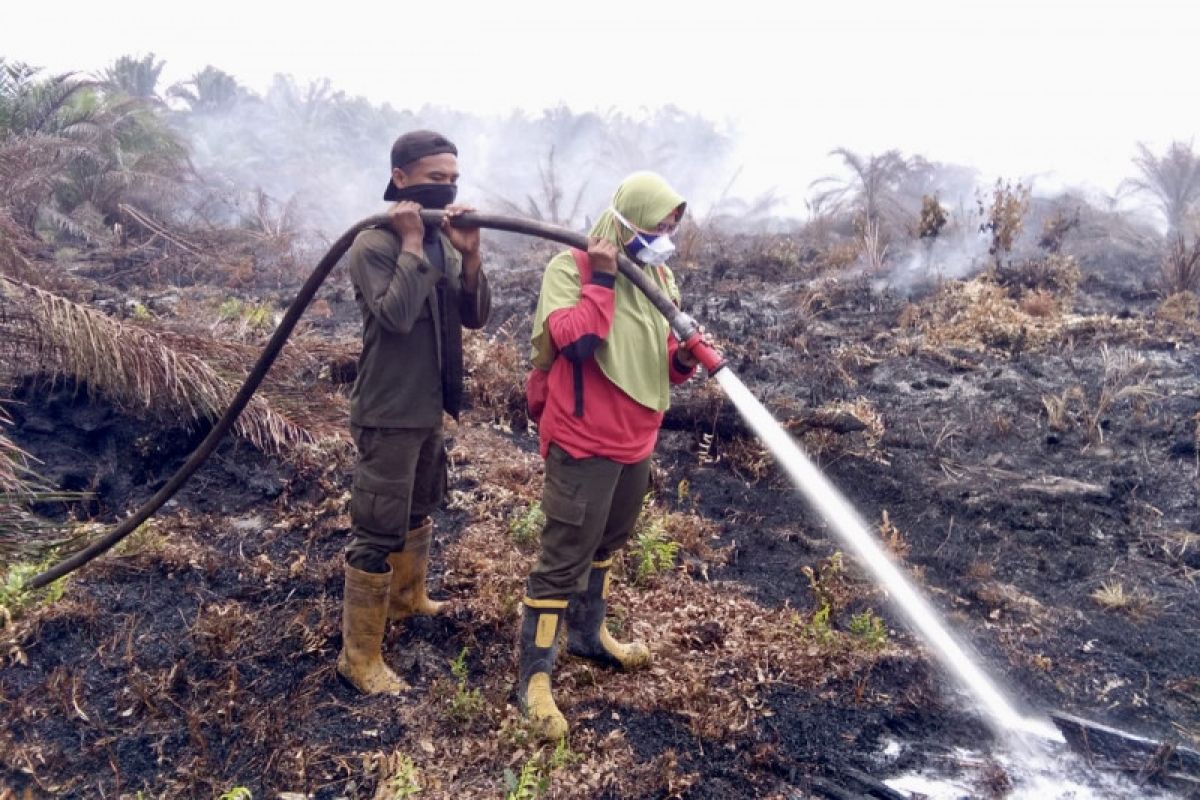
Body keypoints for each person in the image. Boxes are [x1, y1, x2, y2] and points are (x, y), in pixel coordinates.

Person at [518, 171, 699, 739]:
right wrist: (600, 280)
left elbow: (661, 359)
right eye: (657, 224)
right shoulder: (570, 268)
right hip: (584, 438)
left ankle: (588, 636)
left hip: (635, 438)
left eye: (672, 226)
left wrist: (687, 358)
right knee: (565, 551)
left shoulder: (659, 276)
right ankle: (533, 680)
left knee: (607, 541)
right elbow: (574, 340)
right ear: (627, 220)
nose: (665, 235)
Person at [337, 130, 491, 695]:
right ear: (400, 179)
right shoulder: (373, 244)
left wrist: (469, 255)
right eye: (434, 179)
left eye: (452, 180)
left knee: (419, 508)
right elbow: (396, 317)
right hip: (389, 410)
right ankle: (359, 659)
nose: (446, 189)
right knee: (377, 529)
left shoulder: (442, 241)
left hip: (428, 408)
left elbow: (472, 317)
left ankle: (406, 600)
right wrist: (408, 243)